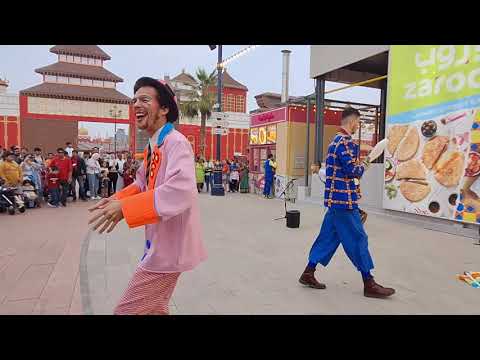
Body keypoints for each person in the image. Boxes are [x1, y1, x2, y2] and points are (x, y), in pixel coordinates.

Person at [88, 76, 207, 315]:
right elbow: (142, 182)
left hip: (169, 249)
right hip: (160, 242)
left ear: (164, 109)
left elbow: (182, 189)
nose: (136, 105)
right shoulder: (154, 146)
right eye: (134, 100)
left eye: (144, 99)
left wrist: (125, 209)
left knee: (126, 311)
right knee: (154, 309)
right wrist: (117, 200)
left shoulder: (176, 143)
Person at [298, 107, 395, 299]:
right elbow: (354, 171)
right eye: (358, 123)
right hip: (344, 202)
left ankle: (308, 273)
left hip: (336, 201)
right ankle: (369, 282)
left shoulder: (334, 142)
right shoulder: (345, 142)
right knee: (359, 239)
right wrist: (368, 160)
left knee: (328, 238)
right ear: (352, 122)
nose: (358, 127)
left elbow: (343, 170)